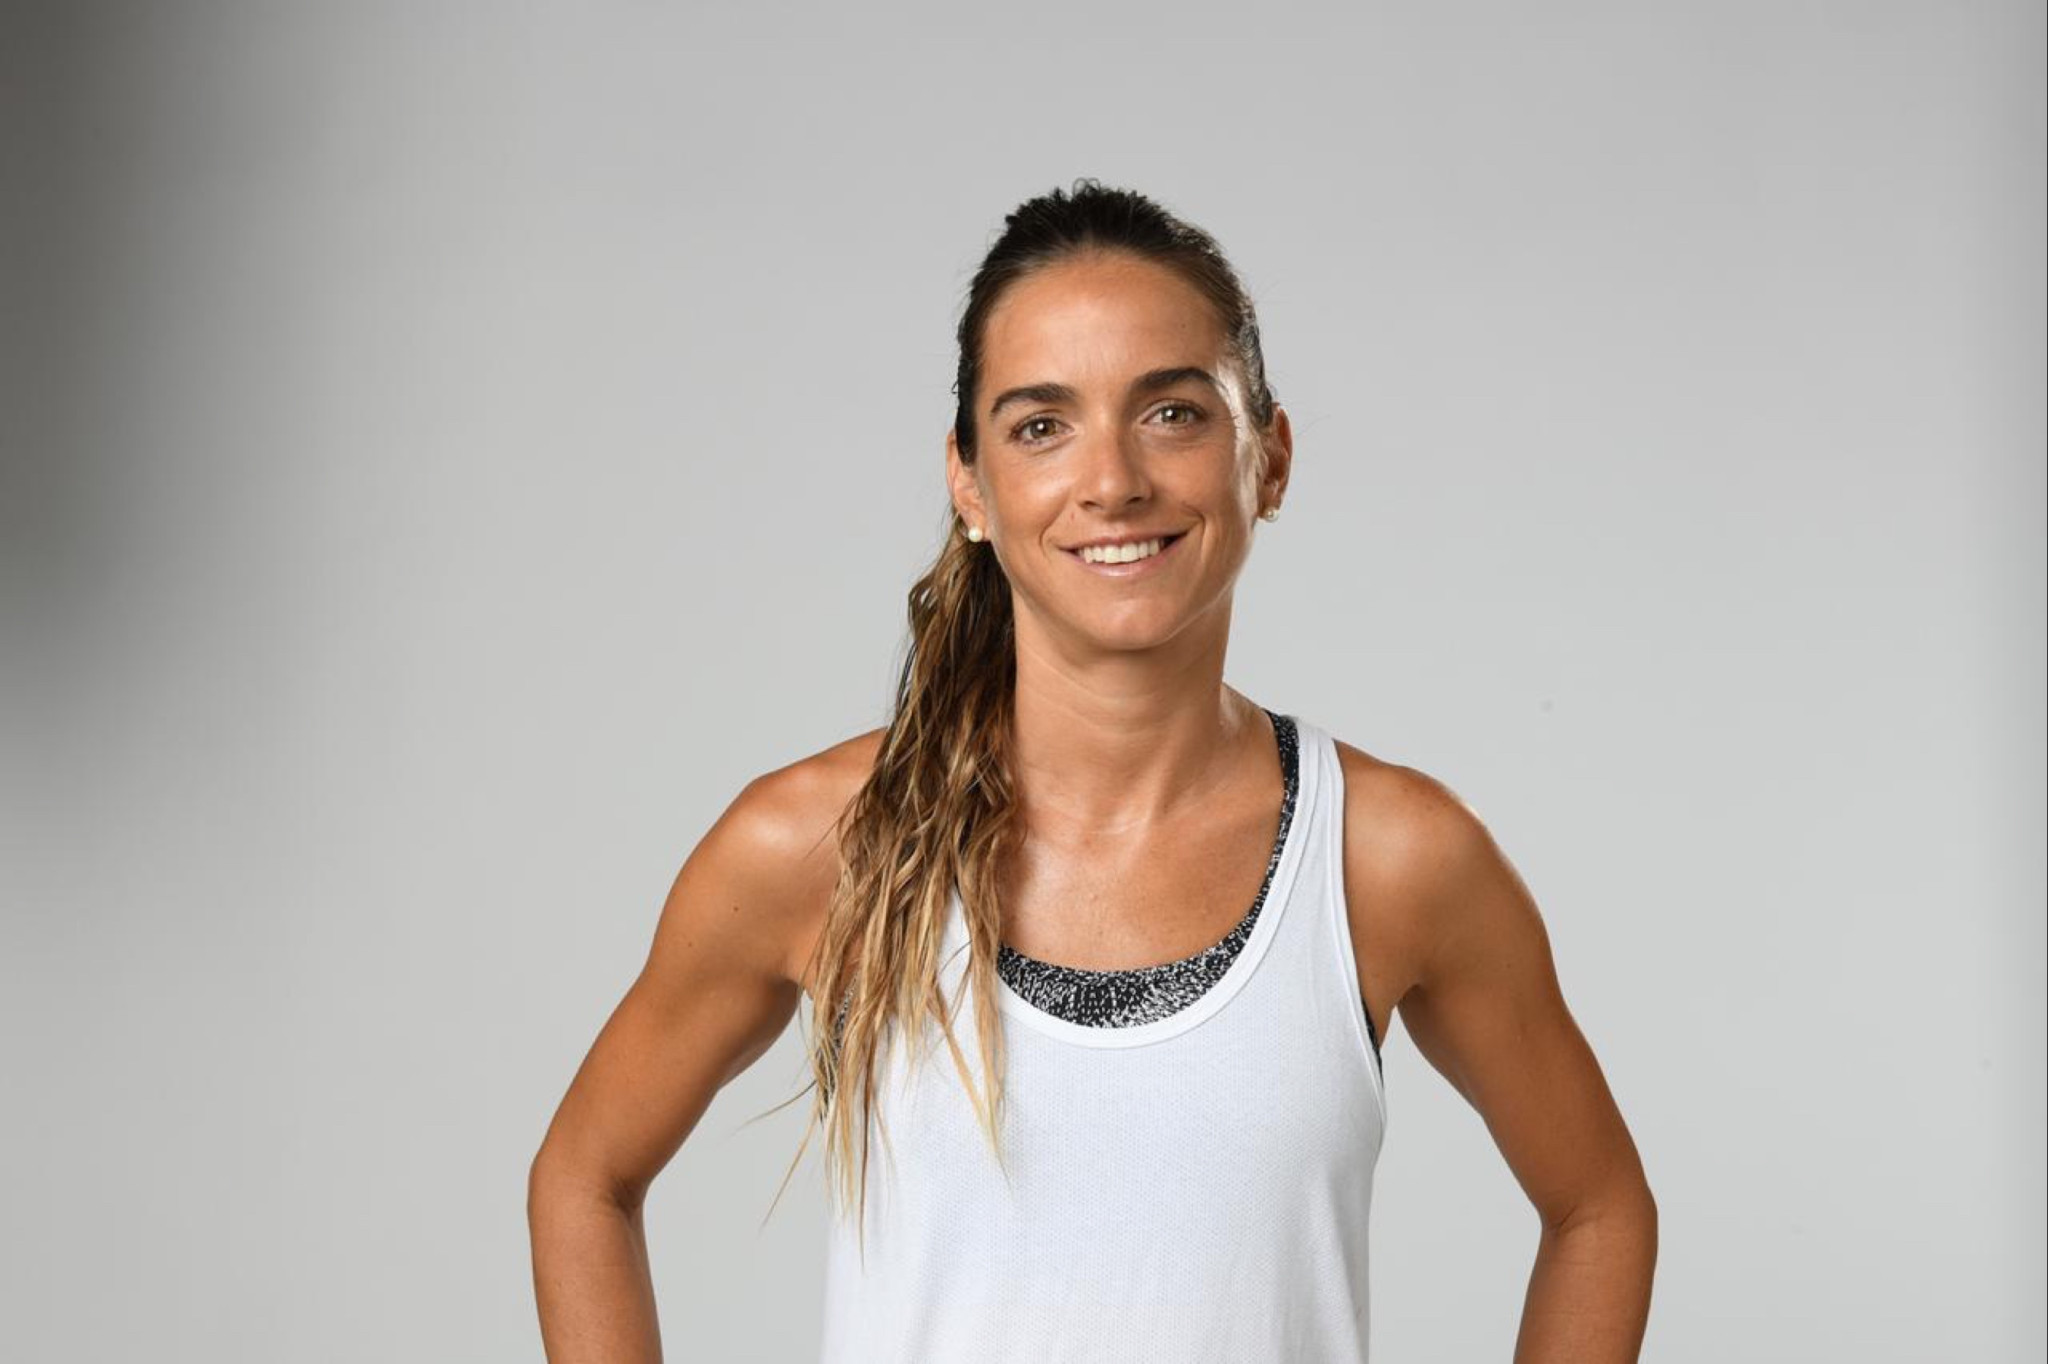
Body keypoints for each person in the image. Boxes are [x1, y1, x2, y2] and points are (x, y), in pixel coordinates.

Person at [528, 178, 1658, 1363]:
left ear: (1268, 458)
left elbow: (1598, 1206)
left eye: (1171, 412)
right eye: (1040, 425)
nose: (1112, 480)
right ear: (969, 483)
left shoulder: (1384, 855)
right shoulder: (823, 842)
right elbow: (582, 1176)